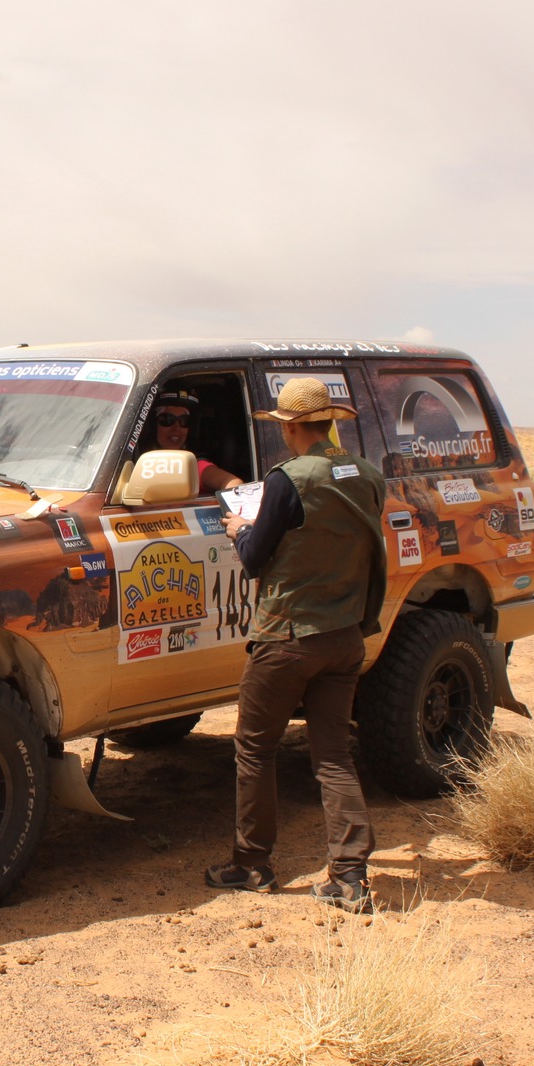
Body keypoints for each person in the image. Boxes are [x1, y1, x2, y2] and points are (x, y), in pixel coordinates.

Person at [208, 379, 386, 913]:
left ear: (288, 427)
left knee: (255, 749)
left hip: (288, 636)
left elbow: (257, 557)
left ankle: (251, 864)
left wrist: (241, 527)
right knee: (332, 756)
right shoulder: (367, 474)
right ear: (329, 422)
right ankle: (350, 878)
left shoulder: (288, 479)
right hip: (345, 636)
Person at [150, 392, 243, 494]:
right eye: (167, 420)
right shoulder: (137, 463)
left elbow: (232, 482)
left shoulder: (192, 467)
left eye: (184, 421)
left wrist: (233, 507)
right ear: (153, 426)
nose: (177, 428)